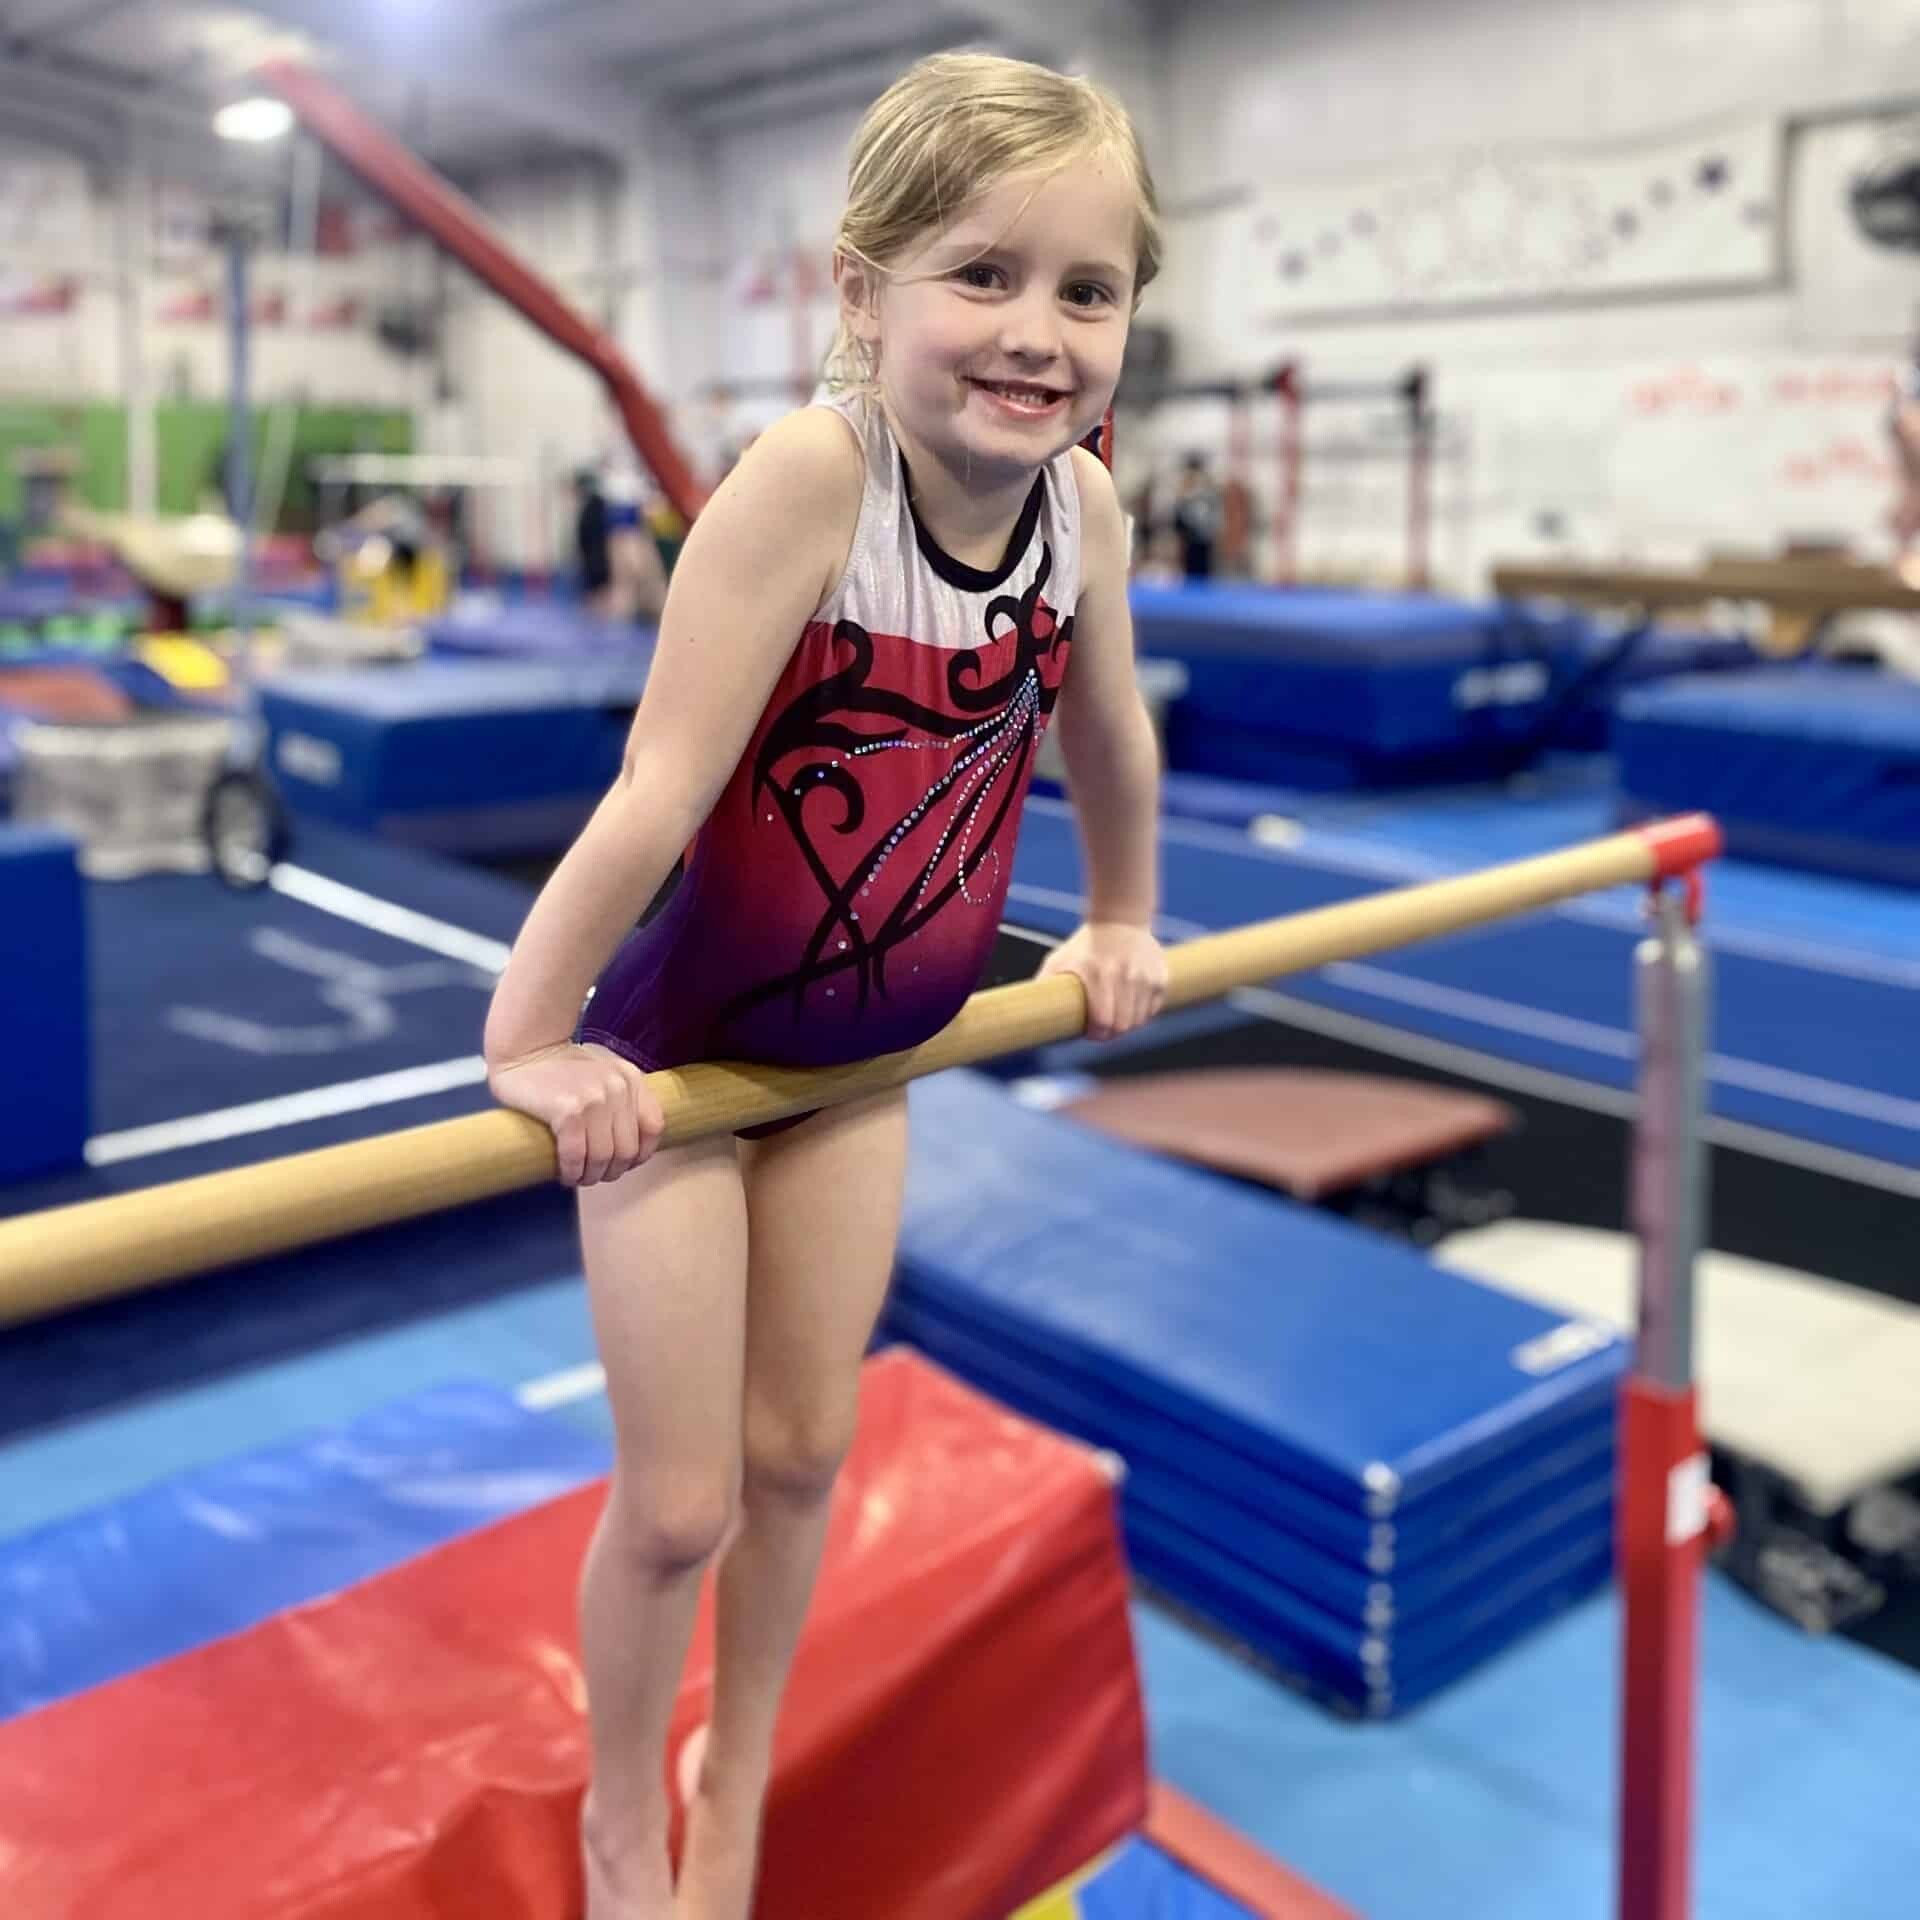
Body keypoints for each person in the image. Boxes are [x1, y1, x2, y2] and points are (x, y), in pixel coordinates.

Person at [483, 50, 1167, 1920]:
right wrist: (528, 1039)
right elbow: (659, 787)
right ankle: (622, 1814)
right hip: (683, 1066)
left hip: (865, 1064)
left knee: (803, 1459)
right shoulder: (812, 481)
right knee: (682, 1501)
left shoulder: (1086, 514)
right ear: (860, 293)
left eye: (1087, 290)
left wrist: (1122, 914)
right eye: (983, 275)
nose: (1036, 332)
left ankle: (740, 1779)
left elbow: (1109, 735)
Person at [1169, 450, 1224, 579]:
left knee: (1203, 570)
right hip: (1189, 538)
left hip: (1203, 539)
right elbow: (1179, 516)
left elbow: (1212, 516)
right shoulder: (1184, 490)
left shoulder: (1208, 491)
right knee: (1190, 570)